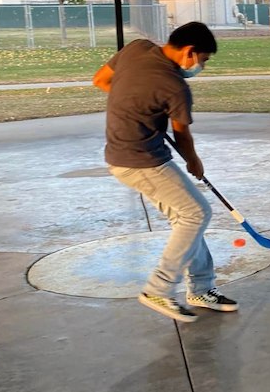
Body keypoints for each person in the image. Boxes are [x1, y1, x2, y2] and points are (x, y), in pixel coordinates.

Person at [92, 22, 238, 323]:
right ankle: (159, 288)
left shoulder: (136, 48)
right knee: (197, 214)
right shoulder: (176, 86)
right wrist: (194, 162)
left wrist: (136, 107)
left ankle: (201, 287)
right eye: (204, 60)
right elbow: (182, 135)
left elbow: (101, 80)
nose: (202, 66)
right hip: (141, 160)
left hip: (127, 155)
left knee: (184, 218)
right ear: (189, 51)